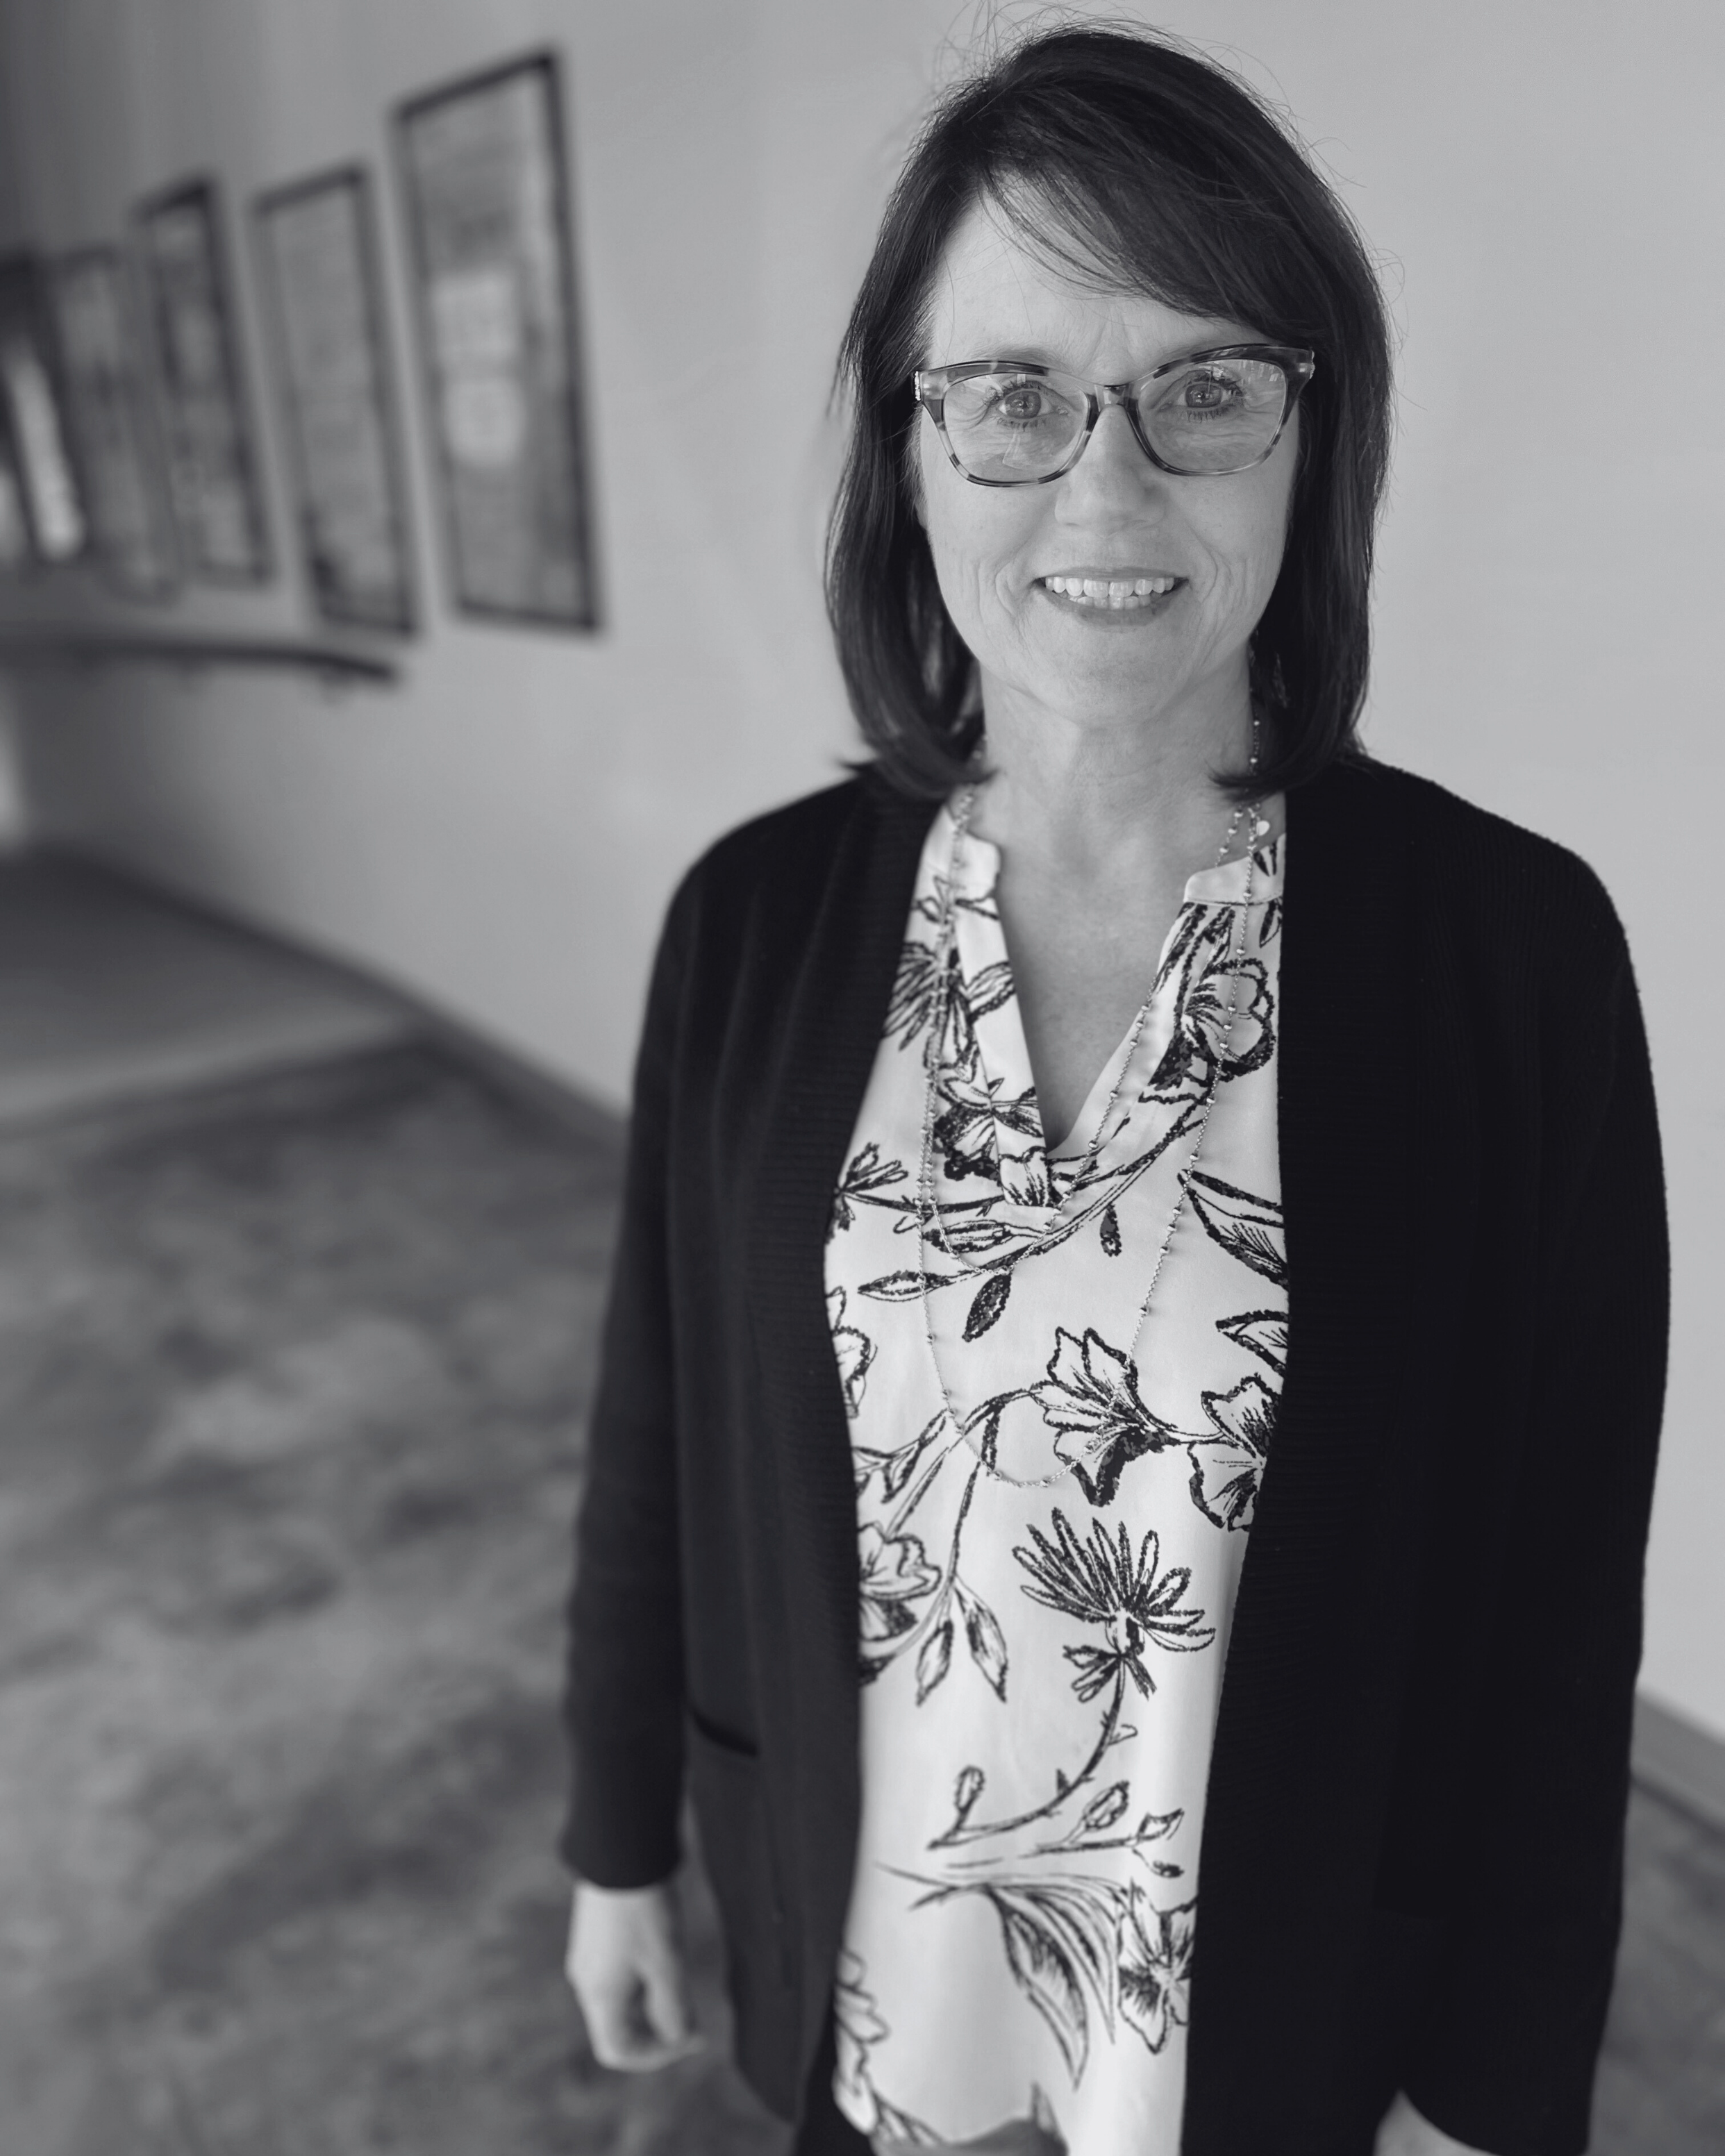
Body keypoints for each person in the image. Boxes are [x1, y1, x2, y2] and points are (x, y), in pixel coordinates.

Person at [560, 26, 1667, 2156]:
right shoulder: (751, 921)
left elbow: (1554, 1599)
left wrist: (1493, 2090)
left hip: (1269, 2021)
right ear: (906, 445)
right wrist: (618, 1833)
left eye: (1204, 387)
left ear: (1303, 439)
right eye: (1011, 395)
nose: (1106, 486)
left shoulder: (1509, 952)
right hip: (861, 1960)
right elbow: (655, 1423)